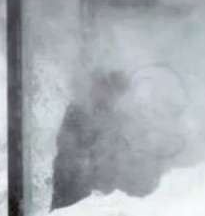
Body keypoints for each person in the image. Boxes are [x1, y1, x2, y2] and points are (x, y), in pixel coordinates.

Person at [51, 69, 156, 211]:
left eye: (118, 93)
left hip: (100, 194)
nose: (114, 97)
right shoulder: (79, 110)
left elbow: (120, 152)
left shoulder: (115, 116)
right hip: (74, 188)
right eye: (110, 90)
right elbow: (68, 147)